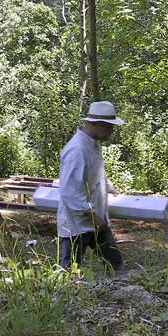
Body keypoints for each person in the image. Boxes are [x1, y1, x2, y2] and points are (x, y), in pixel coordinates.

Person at [57, 101, 124, 273]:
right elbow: (70, 192)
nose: (111, 131)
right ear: (93, 124)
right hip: (77, 223)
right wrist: (93, 217)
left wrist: (108, 186)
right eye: (108, 127)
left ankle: (119, 295)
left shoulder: (93, 144)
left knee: (114, 263)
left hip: (96, 220)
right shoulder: (77, 149)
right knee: (69, 271)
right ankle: (65, 298)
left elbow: (93, 173)